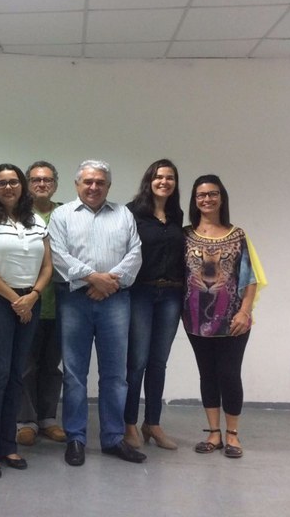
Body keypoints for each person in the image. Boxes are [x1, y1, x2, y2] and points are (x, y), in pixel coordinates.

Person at [48, 160, 146, 467]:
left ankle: (113, 438)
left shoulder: (123, 214)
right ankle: (75, 438)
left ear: (108, 186)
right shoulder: (62, 215)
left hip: (115, 300)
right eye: (88, 181)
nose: (94, 187)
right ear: (77, 184)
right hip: (74, 300)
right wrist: (93, 278)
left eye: (100, 182)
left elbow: (135, 254)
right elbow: (57, 255)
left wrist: (108, 284)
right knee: (74, 374)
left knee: (115, 375)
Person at [0, 164, 52, 479]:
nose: (8, 187)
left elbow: (47, 266)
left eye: (14, 182)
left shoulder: (35, 221)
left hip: (29, 301)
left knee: (17, 375)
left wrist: (33, 296)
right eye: (1, 182)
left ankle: (7, 445)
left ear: (22, 186)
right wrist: (15, 300)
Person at [183, 174, 266, 459]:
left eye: (212, 194)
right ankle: (213, 433)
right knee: (207, 374)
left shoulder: (238, 235)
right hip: (194, 320)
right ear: (195, 200)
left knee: (229, 374)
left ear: (221, 197)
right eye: (201, 195)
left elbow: (250, 277)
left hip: (233, 319)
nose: (207, 199)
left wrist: (245, 311)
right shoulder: (185, 235)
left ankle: (232, 434)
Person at [123, 159, 185, 450]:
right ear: (149, 180)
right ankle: (129, 424)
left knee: (159, 362)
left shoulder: (176, 215)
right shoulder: (132, 213)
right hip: (141, 293)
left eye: (170, 177)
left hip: (171, 295)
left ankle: (153, 423)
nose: (164, 182)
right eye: (159, 177)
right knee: (137, 362)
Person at [16, 161, 66, 446]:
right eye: (36, 179)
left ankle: (48, 419)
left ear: (55, 184)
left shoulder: (66, 214)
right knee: (26, 365)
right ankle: (26, 421)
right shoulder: (18, 214)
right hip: (27, 301)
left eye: (47, 180)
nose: (42, 184)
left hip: (60, 303)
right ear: (27, 184)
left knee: (51, 365)